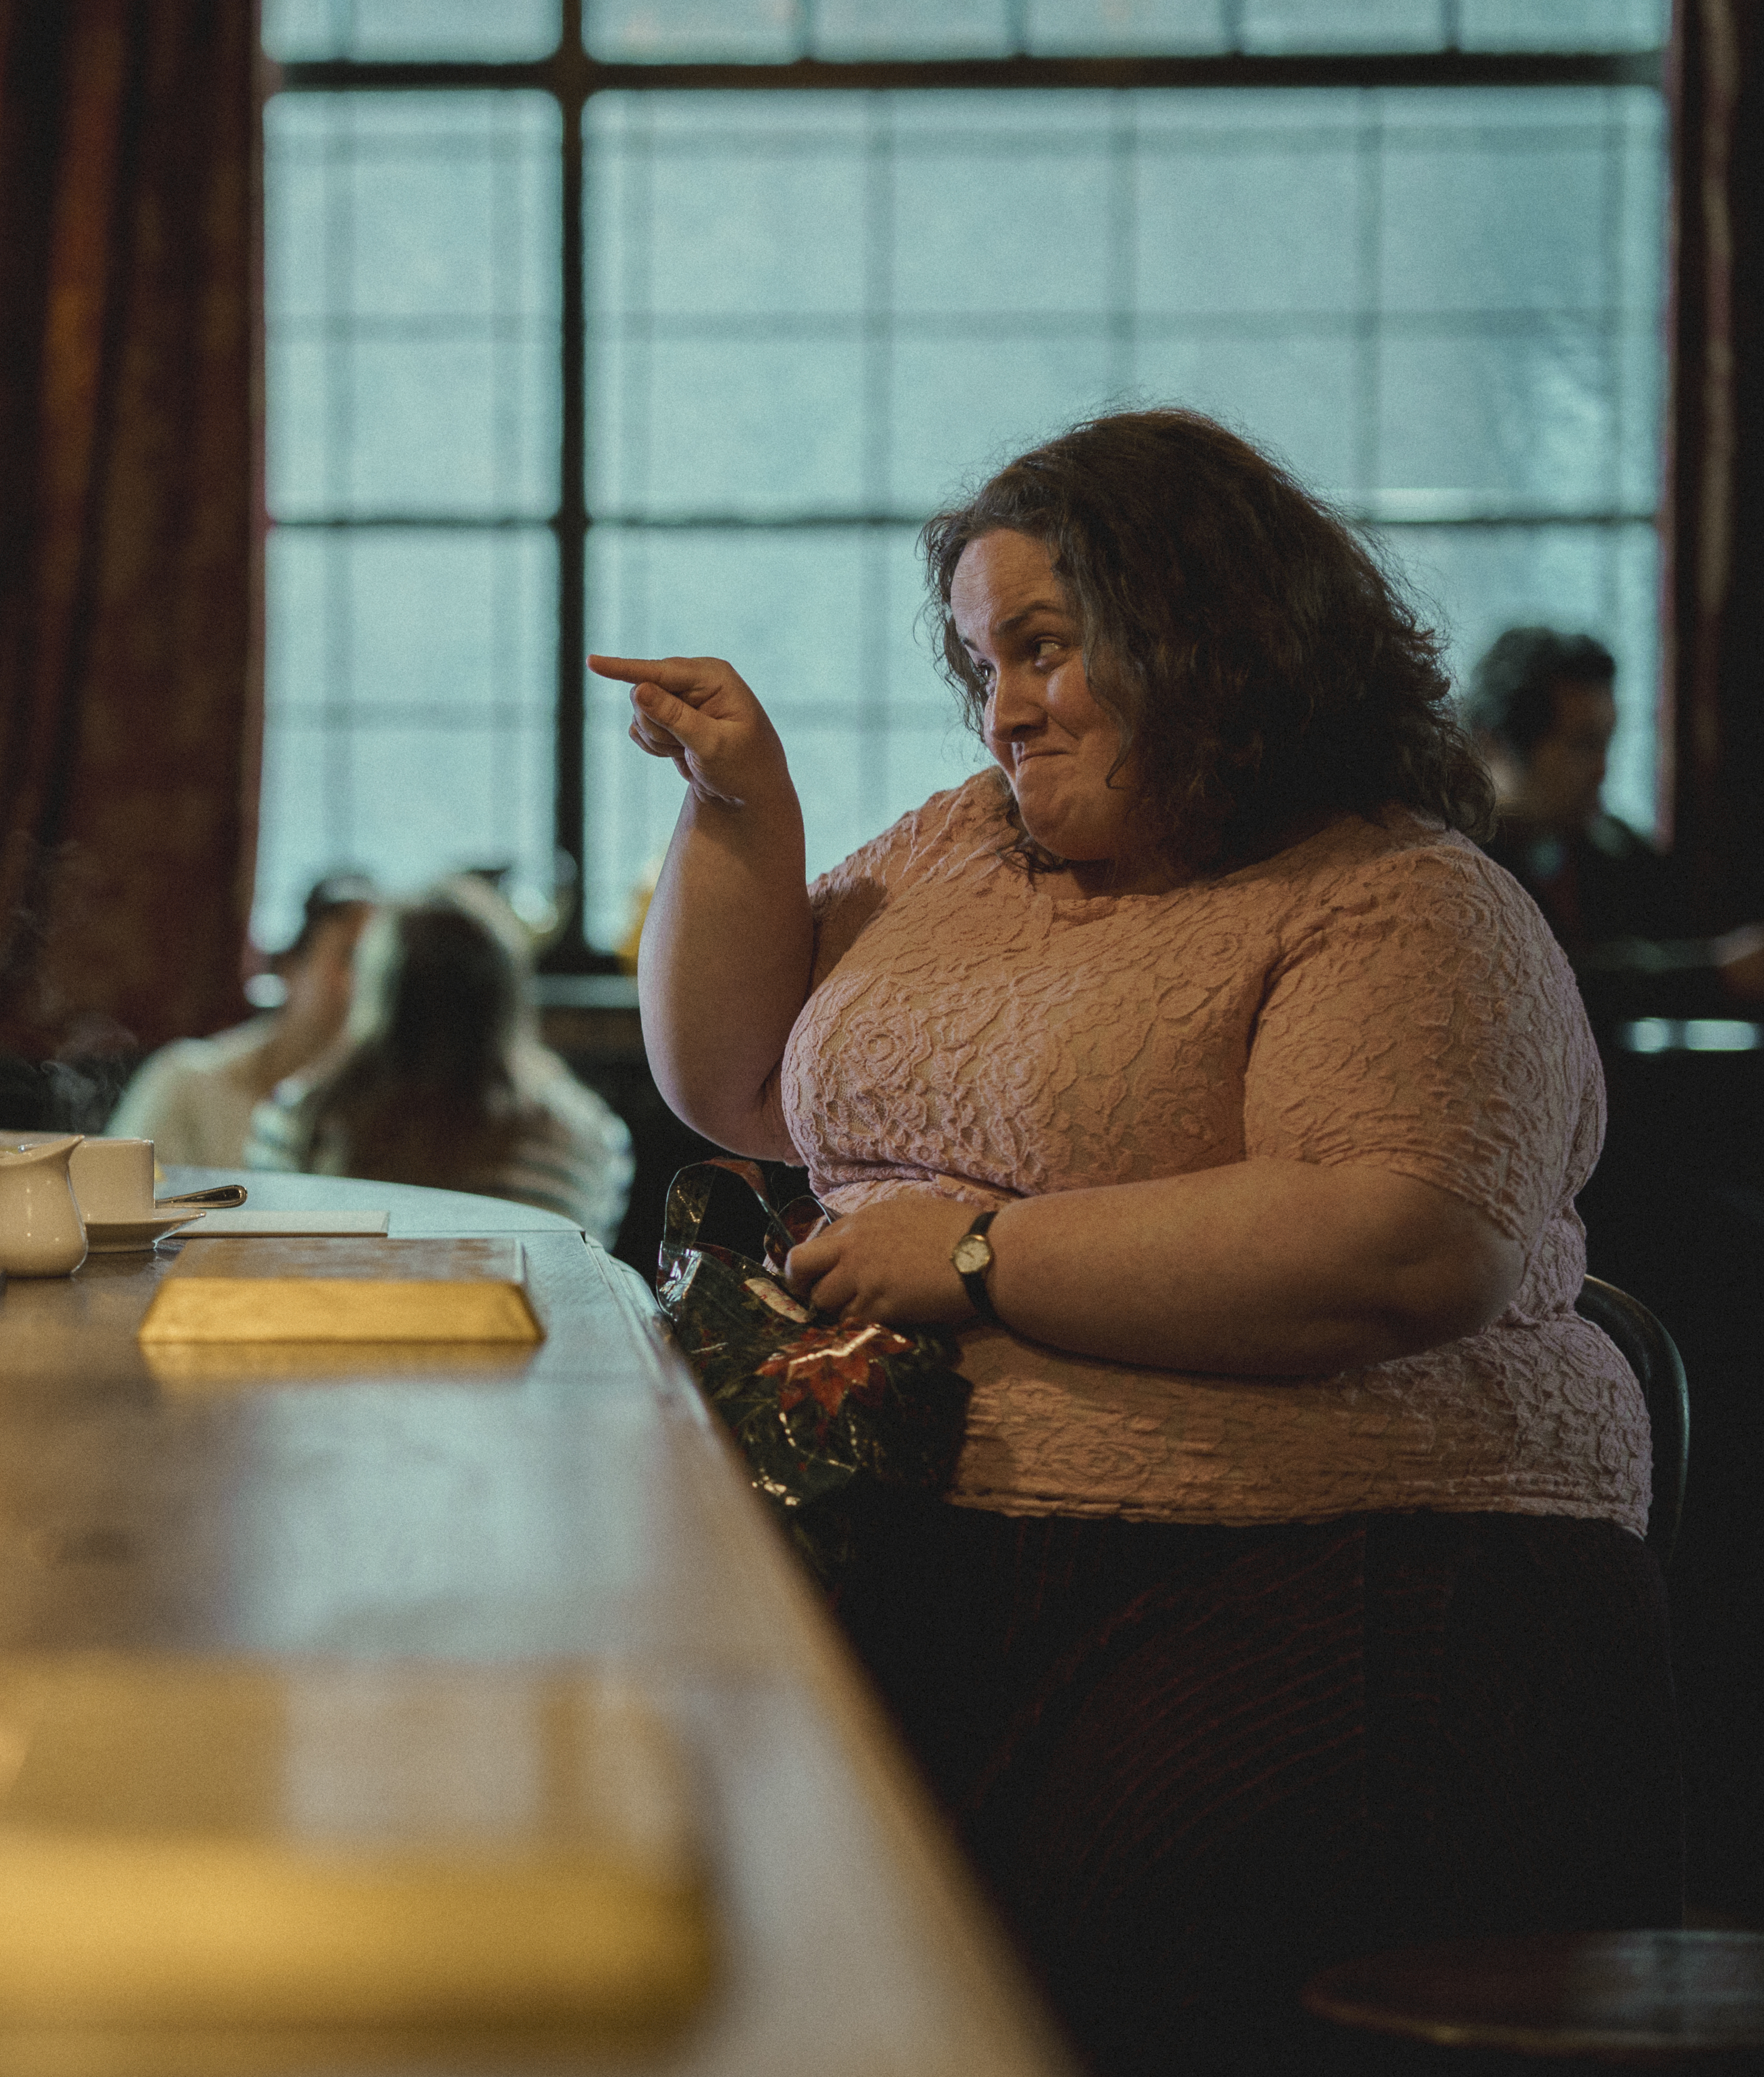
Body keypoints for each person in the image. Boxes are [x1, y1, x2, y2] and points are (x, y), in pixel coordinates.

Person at [598, 408, 1676, 2074]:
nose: (1001, 704)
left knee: (1040, 1957)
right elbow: (736, 1083)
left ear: (1206, 635)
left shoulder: (1399, 900)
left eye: (1041, 647)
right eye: (976, 660)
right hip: (945, 1532)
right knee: (689, 1867)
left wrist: (972, 1262)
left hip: (1342, 1562)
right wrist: (741, 807)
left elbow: (1401, 1241)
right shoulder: (960, 846)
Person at [245, 875, 631, 1238]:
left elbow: (283, 1258)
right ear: (506, 998)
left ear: (376, 992)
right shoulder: (584, 1140)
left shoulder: (295, 1124)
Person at [1465, 624, 1764, 1026]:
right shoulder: (1458, 867)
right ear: (1494, 745)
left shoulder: (1621, 854)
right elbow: (1538, 987)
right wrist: (1714, 974)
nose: (1603, 770)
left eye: (1608, 743)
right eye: (1582, 745)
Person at [104, 874, 375, 1167]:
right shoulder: (187, 1081)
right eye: (349, 958)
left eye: (379, 967)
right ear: (291, 968)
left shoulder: (373, 1116)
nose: (365, 984)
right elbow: (113, 1190)